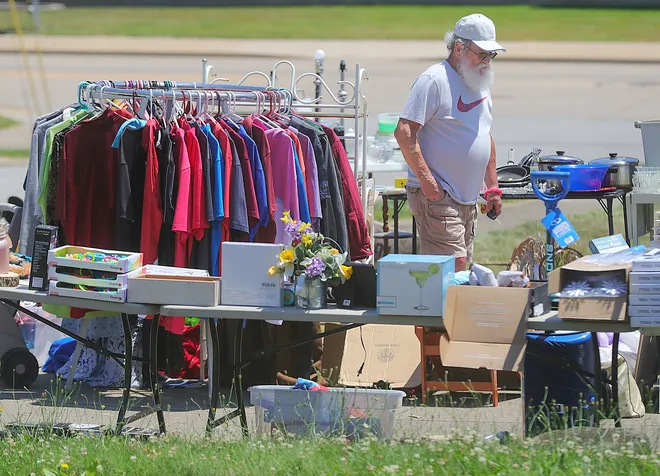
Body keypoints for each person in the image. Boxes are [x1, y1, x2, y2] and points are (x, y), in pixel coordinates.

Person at [394, 13, 505, 272]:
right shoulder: (434, 80)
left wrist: (492, 187)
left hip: (466, 200)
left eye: (492, 55)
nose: (487, 61)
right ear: (459, 48)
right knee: (452, 271)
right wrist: (430, 186)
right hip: (439, 197)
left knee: (461, 271)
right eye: (482, 54)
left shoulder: (479, 82)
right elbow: (404, 131)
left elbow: (483, 135)